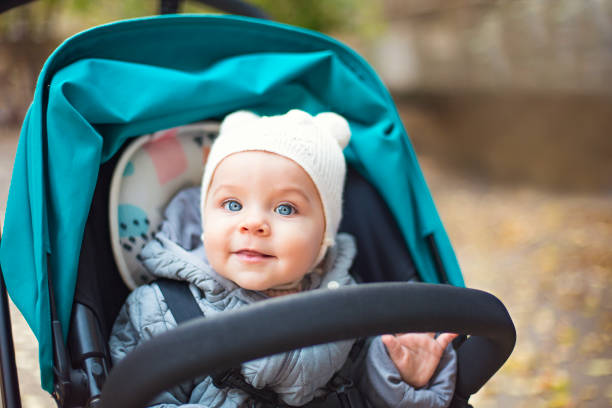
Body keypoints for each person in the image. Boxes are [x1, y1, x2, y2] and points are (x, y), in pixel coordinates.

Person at [109, 109, 458, 407]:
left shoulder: (351, 306)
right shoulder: (160, 311)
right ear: (204, 219)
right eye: (232, 205)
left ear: (324, 236)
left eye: (285, 208)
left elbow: (364, 394)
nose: (253, 223)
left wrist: (398, 375)